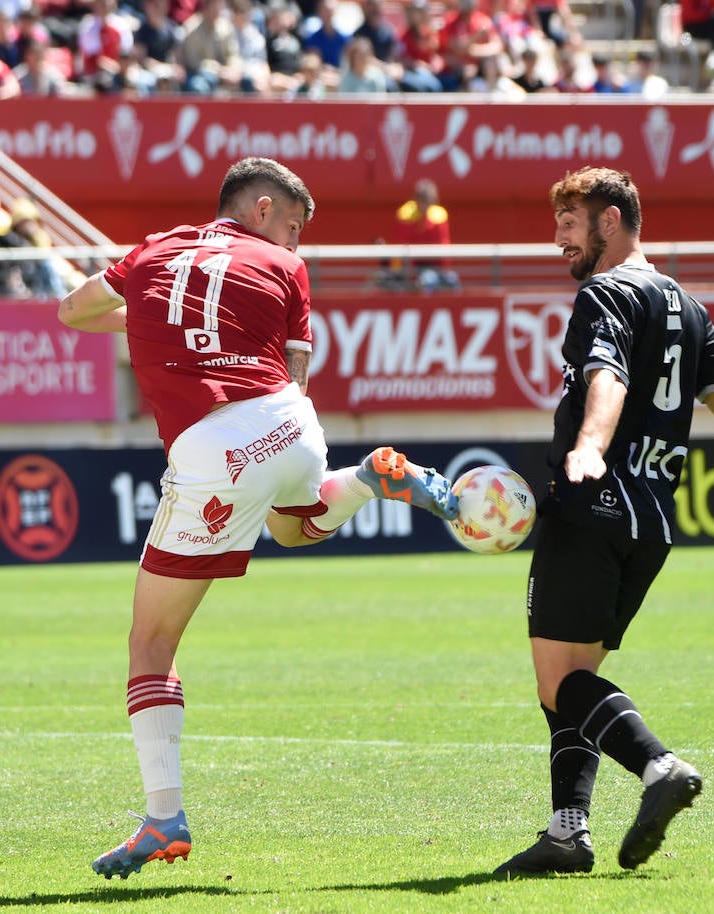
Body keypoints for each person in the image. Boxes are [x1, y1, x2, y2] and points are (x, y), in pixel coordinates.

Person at [55, 157, 459, 880]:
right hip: (288, 422)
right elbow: (297, 374)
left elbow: (73, 311)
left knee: (150, 642)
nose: (296, 244)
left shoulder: (153, 247)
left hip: (213, 443)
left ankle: (163, 819)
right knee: (292, 526)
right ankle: (366, 481)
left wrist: (150, 316)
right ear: (263, 207)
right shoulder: (282, 265)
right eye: (295, 227)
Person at [494, 166, 714, 877]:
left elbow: (608, 377)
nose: (558, 239)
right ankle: (568, 833)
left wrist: (590, 447)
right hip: (652, 519)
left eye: (571, 223)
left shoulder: (607, 293)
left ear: (611, 223)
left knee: (559, 683)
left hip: (593, 504)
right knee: (579, 677)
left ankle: (659, 768)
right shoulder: (689, 306)